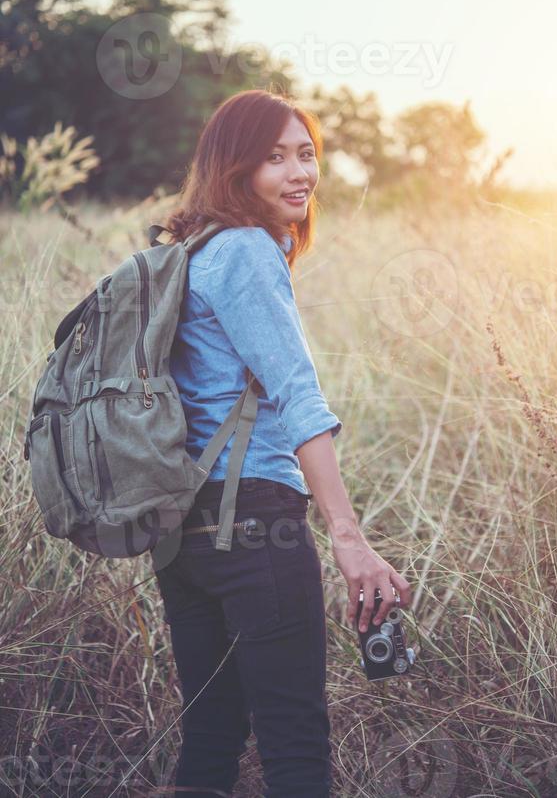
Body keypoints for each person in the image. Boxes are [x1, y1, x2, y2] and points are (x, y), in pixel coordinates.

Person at [152, 88, 412, 798]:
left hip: (183, 536)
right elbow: (298, 397)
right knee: (294, 744)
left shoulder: (187, 250)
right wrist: (348, 536)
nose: (300, 174)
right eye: (275, 158)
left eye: (307, 155)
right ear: (236, 167)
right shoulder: (244, 250)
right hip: (256, 524)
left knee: (209, 741)